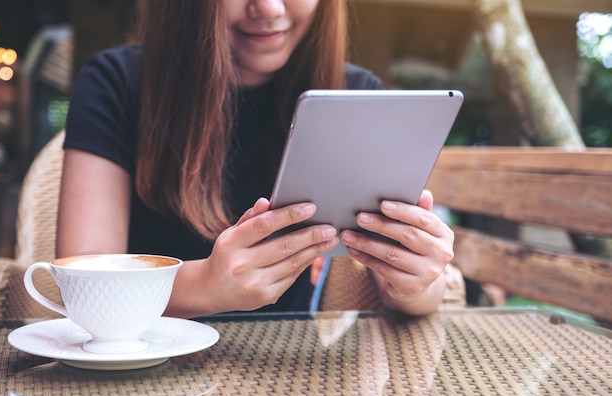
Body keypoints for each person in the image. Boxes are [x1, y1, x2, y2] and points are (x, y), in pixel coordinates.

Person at [57, 0, 454, 318]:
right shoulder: (115, 82)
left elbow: (408, 295)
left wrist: (418, 280)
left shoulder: (355, 94)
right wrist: (207, 287)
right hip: (142, 367)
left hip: (287, 377)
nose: (268, 8)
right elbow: (83, 286)